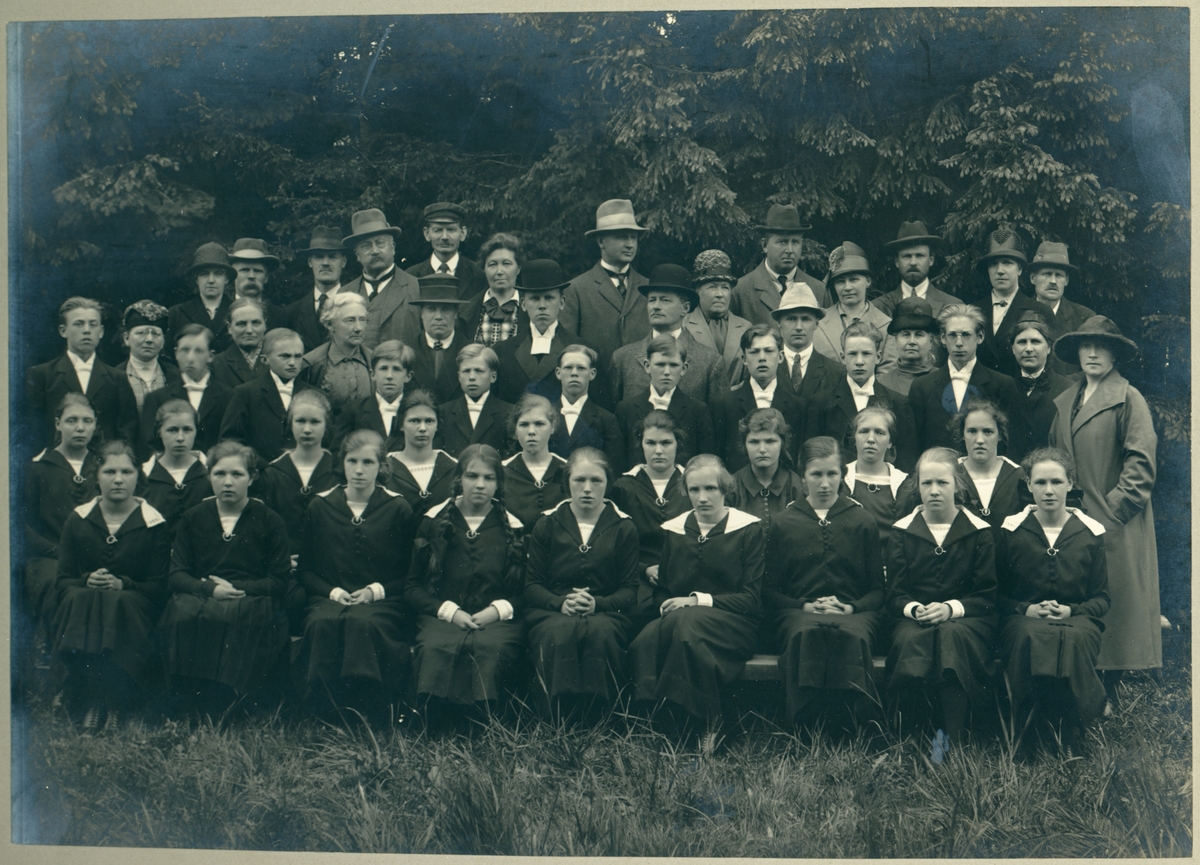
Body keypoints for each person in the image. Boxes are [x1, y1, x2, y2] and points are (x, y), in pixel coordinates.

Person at [1048, 316, 1160, 713]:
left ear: (1114, 354)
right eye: (1086, 346)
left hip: (1115, 523)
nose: (1092, 353)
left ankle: (1108, 692)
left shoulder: (1129, 398)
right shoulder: (1066, 400)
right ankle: (1080, 689)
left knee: (1116, 605)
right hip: (1071, 520)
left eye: (1101, 346)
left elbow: (1141, 463)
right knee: (1078, 598)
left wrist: (1112, 511)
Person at [629, 455, 764, 741]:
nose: (702, 497)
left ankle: (706, 726)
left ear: (725, 489)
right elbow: (663, 591)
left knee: (687, 633)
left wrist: (695, 602)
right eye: (694, 489)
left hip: (734, 625)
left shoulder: (749, 529)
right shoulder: (676, 529)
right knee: (644, 640)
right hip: (681, 622)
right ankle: (660, 725)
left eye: (710, 488)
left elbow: (750, 599)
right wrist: (667, 605)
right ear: (686, 491)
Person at [766, 437, 885, 732]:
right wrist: (804, 606)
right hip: (798, 613)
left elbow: (877, 591)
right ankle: (806, 728)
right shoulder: (783, 522)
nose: (824, 483)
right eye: (816, 474)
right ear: (802, 477)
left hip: (854, 614)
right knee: (806, 633)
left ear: (843, 475)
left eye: (832, 474)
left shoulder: (861, 520)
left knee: (849, 634)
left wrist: (850, 607)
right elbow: (769, 591)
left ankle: (855, 727)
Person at [294, 430, 416, 718]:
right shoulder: (321, 506)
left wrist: (376, 591)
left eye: (368, 462)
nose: (359, 470)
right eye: (352, 461)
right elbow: (306, 570)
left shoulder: (397, 507)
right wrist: (333, 592)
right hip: (329, 598)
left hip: (383, 602)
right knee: (321, 623)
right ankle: (325, 708)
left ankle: (368, 707)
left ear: (381, 466)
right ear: (342, 463)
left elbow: (410, 574)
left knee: (363, 623)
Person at [51, 441, 170, 731]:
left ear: (138, 476)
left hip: (134, 607)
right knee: (81, 597)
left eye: (126, 472)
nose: (118, 479)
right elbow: (63, 580)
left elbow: (158, 586)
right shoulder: (78, 519)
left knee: (117, 602)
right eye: (110, 472)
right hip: (86, 606)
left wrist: (123, 583)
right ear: (97, 476)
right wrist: (86, 579)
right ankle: (91, 699)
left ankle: (117, 702)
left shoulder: (154, 523)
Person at [162, 442, 291, 708]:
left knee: (239, 614)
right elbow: (176, 574)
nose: (228, 482)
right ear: (209, 476)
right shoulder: (193, 517)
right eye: (219, 474)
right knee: (183, 611)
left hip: (251, 596)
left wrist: (236, 588)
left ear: (252, 478)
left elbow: (278, 581)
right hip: (203, 593)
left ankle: (232, 702)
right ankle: (191, 700)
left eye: (237, 474)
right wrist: (210, 589)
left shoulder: (270, 520)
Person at [997, 448, 1110, 749]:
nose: (1049, 490)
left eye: (1057, 482)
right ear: (1029, 485)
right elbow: (996, 594)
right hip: (1023, 621)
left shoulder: (1090, 532)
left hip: (1077, 621)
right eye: (1040, 482)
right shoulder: (1012, 530)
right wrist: (1026, 609)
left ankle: (1071, 729)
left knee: (1071, 639)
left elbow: (1101, 598)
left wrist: (1071, 610)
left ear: (1070, 483)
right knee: (1030, 635)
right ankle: (1028, 732)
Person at [886, 448, 998, 746]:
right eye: (927, 483)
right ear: (917, 486)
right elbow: (895, 594)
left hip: (968, 620)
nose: (934, 490)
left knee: (951, 638)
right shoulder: (903, 531)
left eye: (942, 483)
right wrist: (915, 609)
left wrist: (950, 608)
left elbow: (987, 595)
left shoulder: (978, 531)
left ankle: (952, 738)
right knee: (912, 640)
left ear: (957, 485)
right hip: (916, 619)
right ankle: (913, 736)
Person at [406, 444, 526, 720]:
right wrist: (450, 612)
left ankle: (485, 720)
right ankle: (435, 718)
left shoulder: (513, 526)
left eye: (489, 478)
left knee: (490, 648)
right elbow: (412, 587)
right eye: (472, 476)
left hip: (495, 621)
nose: (480, 484)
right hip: (442, 617)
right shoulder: (433, 522)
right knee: (436, 646)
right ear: (459, 478)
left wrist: (496, 611)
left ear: (498, 483)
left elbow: (524, 590)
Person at [524, 447, 640, 719]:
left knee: (600, 634)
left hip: (606, 611)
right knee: (559, 633)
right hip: (552, 611)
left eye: (596, 480)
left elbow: (629, 590)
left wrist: (597, 604)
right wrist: (560, 603)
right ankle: (555, 719)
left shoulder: (624, 527)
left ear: (608, 483)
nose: (587, 488)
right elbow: (532, 585)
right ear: (567, 482)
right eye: (579, 480)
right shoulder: (548, 523)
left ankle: (600, 719)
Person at [24, 394, 101, 652]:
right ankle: (59, 657)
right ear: (57, 424)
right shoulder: (37, 468)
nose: (80, 428)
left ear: (95, 425)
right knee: (61, 586)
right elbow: (21, 527)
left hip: (97, 556)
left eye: (87, 421)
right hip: (50, 558)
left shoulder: (103, 467)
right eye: (72, 421)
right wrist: (58, 552)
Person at [908, 304, 1024, 456]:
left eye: (966, 335)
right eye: (952, 335)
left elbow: (1014, 441)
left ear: (980, 337)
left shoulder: (1001, 384)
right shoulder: (922, 386)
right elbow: (913, 443)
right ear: (943, 338)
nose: (959, 343)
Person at [805, 320, 918, 471]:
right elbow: (811, 456)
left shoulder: (897, 402)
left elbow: (906, 459)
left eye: (866, 354)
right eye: (852, 354)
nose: (859, 362)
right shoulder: (821, 402)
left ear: (878, 357)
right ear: (843, 357)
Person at [610, 263, 728, 406]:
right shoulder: (622, 359)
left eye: (665, 300)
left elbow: (717, 416)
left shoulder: (710, 362)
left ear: (685, 308)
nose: (656, 306)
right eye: (652, 300)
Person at [27, 297, 138, 448]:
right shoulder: (42, 375)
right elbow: (32, 429)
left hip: (103, 460)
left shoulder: (117, 378)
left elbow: (127, 432)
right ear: (63, 331)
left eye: (93, 324)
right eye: (79, 324)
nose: (87, 330)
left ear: (101, 331)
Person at [608, 411, 690, 600]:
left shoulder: (693, 484)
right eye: (651, 443)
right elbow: (614, 544)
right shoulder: (623, 487)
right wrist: (644, 569)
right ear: (641, 445)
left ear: (678, 443)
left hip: (686, 575)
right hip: (637, 578)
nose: (658, 450)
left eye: (666, 443)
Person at [559, 199, 650, 370]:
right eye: (622, 237)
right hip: (596, 382)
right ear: (601, 241)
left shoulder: (649, 287)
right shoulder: (575, 289)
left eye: (634, 237)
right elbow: (567, 348)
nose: (630, 244)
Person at [493, 259, 590, 404]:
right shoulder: (502, 351)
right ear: (523, 304)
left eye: (549, 298)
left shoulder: (584, 350)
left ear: (562, 302)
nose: (542, 305)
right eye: (534, 298)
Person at [259, 390, 338, 566]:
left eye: (315, 422)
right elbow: (265, 526)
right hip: (282, 565)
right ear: (290, 424)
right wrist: (281, 558)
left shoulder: (339, 472)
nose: (307, 429)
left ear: (326, 424)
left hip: (330, 565)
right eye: (300, 421)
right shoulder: (273, 473)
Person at [614, 334, 716, 470]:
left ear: (684, 368)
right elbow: (619, 460)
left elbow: (705, 461)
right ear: (647, 366)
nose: (667, 372)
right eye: (660, 364)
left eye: (673, 365)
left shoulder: (697, 410)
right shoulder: (627, 408)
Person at [711, 325, 806, 470]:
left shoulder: (798, 406)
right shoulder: (724, 404)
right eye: (754, 352)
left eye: (768, 351)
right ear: (744, 359)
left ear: (781, 357)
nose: (762, 358)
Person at [138, 324, 233, 462]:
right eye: (185, 350)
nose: (190, 358)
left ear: (210, 356)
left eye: (198, 351)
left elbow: (231, 442)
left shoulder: (228, 396)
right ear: (176, 353)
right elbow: (148, 446)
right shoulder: (157, 398)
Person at [218, 328, 312, 463]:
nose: (292, 362)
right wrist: (263, 467)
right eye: (285, 356)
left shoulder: (313, 394)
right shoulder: (246, 393)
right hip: (260, 471)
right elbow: (231, 441)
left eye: (297, 356)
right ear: (264, 360)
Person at [731, 204, 830, 325]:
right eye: (782, 242)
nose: (790, 250)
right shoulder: (741, 290)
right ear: (764, 245)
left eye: (795, 242)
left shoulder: (818, 290)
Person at [342, 208, 423, 350]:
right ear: (357, 254)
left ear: (393, 247)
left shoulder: (417, 288)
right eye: (366, 246)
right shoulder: (343, 295)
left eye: (380, 243)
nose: (374, 251)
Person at [975, 229, 1051, 377]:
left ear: (1020, 269)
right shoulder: (973, 311)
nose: (1000, 270)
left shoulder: (1040, 311)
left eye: (1007, 263)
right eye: (993, 264)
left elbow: (1051, 367)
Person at [811, 242, 894, 372]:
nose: (847, 287)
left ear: (868, 281)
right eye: (840, 281)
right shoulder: (818, 324)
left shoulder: (886, 325)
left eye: (854, 280)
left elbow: (887, 373)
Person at [728, 408, 803, 543]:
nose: (762, 449)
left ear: (782, 443)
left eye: (770, 441)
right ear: (744, 444)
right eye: (754, 442)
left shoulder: (796, 486)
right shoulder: (731, 488)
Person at [297, 292, 374, 423]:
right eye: (350, 320)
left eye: (362, 320)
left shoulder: (375, 360)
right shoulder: (311, 364)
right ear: (329, 325)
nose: (358, 328)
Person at [954, 398, 1027, 532]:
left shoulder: (1018, 475)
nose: (980, 440)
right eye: (972, 431)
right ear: (962, 434)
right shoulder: (951, 474)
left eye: (988, 432)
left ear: (1000, 435)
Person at [548, 344, 625, 469]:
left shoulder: (607, 420)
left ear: (592, 374)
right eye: (568, 367)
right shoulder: (545, 415)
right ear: (558, 373)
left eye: (581, 368)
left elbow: (613, 467)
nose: (574, 373)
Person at [682, 250, 752, 388]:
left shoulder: (746, 327)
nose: (720, 294)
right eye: (712, 287)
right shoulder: (683, 325)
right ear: (697, 290)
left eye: (725, 287)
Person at [844, 406, 912, 549]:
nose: (870, 439)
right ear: (854, 438)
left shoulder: (904, 485)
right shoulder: (841, 480)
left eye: (879, 433)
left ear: (890, 442)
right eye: (864, 431)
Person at [139, 399, 210, 533]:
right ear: (159, 431)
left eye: (187, 429)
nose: (180, 438)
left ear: (196, 431)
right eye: (172, 430)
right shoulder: (144, 475)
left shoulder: (211, 473)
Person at [385, 390, 459, 517]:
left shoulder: (453, 466)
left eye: (429, 421)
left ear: (437, 425)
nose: (423, 428)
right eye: (414, 421)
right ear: (401, 424)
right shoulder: (386, 467)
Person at [1009, 311, 1073, 458]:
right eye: (1022, 342)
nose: (1028, 349)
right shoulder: (1005, 387)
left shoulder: (1068, 388)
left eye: (1035, 341)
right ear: (1013, 348)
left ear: (1049, 347)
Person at [333, 339, 414, 453]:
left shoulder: (417, 411)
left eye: (396, 369)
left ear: (408, 376)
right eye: (383, 368)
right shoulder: (352, 412)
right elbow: (338, 454)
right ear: (372, 374)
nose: (389, 376)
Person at [1027, 242, 1094, 376]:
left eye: (1058, 275)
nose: (1053, 281)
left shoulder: (1084, 318)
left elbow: (1090, 368)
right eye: (1047, 274)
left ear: (1066, 281)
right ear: (1033, 278)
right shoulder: (1017, 312)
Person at [770, 283, 845, 402]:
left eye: (805, 319)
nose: (798, 327)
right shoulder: (767, 367)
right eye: (791, 319)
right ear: (779, 323)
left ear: (816, 324)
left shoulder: (836, 372)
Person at [502, 395, 568, 528]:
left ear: (552, 426)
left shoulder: (568, 470)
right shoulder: (502, 471)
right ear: (515, 430)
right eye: (524, 424)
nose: (531, 431)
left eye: (539, 424)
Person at [437, 344, 514, 458]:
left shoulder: (509, 412)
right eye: (466, 371)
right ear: (459, 377)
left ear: (493, 377)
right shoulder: (443, 412)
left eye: (479, 371)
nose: (472, 377)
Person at [874, 220, 961, 318]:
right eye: (907, 256)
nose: (913, 262)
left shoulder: (953, 307)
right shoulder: (878, 308)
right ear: (897, 262)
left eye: (919, 256)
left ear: (931, 260)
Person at [407, 274, 471, 404]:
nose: (438, 316)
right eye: (431, 309)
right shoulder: (407, 353)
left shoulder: (471, 353)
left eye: (446, 309)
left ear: (456, 313)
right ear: (421, 313)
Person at [283, 226, 348, 352]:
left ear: (343, 261)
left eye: (332, 257)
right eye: (319, 257)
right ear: (310, 262)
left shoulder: (356, 306)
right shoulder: (292, 312)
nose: (325, 263)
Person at [405, 202, 488, 300]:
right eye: (438, 230)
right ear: (427, 233)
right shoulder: (411, 276)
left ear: (462, 233)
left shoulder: (479, 276)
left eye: (451, 230)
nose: (445, 237)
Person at [117, 300, 179, 422]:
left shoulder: (177, 377)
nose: (149, 339)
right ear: (126, 338)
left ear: (163, 341)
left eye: (156, 334)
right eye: (141, 333)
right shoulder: (113, 378)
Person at [167, 241, 236, 352]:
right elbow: (168, 354)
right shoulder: (177, 313)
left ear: (227, 279)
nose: (211, 280)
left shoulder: (237, 311)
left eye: (218, 274)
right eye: (204, 274)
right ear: (196, 279)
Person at [459, 233, 524, 347]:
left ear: (518, 268)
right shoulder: (465, 310)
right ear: (484, 269)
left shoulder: (531, 309)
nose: (499, 271)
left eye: (506, 264)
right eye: (492, 264)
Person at [876, 296, 940, 397]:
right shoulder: (881, 383)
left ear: (931, 342)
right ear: (896, 341)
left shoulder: (943, 380)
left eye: (919, 335)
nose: (912, 341)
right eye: (906, 334)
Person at [210, 297, 269, 390]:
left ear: (265, 325)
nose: (249, 330)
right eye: (241, 324)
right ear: (230, 328)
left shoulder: (278, 358)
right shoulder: (217, 364)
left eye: (255, 323)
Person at [228, 237, 284, 329]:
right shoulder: (221, 313)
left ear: (266, 277)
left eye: (257, 271)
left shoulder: (281, 317)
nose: (251, 276)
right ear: (233, 275)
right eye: (245, 270)